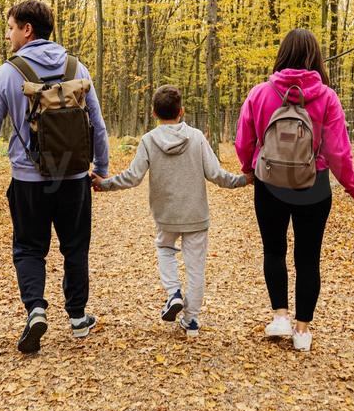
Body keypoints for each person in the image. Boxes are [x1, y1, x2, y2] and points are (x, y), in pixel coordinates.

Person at [0, 0, 110, 353]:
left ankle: (35, 309)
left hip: (28, 181)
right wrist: (102, 168)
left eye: (11, 27)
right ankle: (78, 317)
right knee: (75, 247)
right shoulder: (78, 68)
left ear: (27, 29)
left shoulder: (8, 73)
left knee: (29, 248)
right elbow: (97, 123)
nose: (8, 34)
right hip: (75, 179)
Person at [235, 28, 354, 353]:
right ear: (316, 57)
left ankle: (280, 315)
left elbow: (244, 139)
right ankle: (303, 331)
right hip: (314, 184)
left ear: (283, 54)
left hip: (269, 183)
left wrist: (249, 169)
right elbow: (339, 153)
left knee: (274, 250)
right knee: (309, 259)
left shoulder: (260, 93)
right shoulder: (326, 97)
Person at [92, 85, 250, 338]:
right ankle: (191, 320)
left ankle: (174, 292)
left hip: (166, 215)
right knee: (195, 267)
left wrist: (104, 183)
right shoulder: (197, 137)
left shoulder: (149, 140)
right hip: (196, 215)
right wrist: (243, 179)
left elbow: (133, 177)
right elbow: (216, 175)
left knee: (165, 249)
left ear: (154, 113)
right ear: (182, 111)